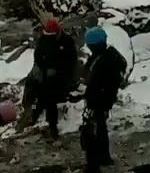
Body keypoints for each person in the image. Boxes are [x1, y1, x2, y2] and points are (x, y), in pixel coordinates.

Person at [80, 27, 127, 173]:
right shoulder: (109, 55)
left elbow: (94, 81)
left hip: (98, 98)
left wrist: (86, 94)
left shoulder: (102, 60)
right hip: (106, 97)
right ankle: (104, 157)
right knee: (100, 126)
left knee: (92, 130)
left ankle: (93, 164)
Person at [32, 18, 78, 138]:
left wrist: (57, 70)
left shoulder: (66, 41)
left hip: (61, 76)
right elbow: (38, 56)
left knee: (49, 96)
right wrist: (42, 69)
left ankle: (52, 125)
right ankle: (34, 114)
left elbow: (71, 61)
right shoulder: (43, 40)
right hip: (45, 73)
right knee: (34, 90)